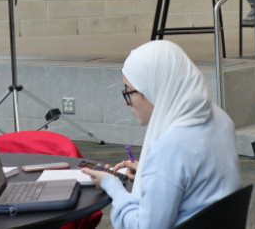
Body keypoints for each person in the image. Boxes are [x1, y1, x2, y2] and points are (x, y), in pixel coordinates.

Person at [82, 41, 241, 229]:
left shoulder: (169, 148)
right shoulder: (219, 117)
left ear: (153, 88)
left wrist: (113, 187)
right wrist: (150, 174)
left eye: (129, 91)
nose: (126, 102)